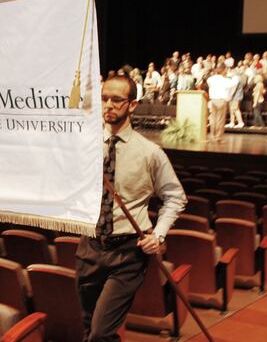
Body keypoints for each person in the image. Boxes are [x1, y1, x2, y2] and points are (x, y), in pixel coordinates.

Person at [77, 75, 186, 342]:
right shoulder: (85, 146)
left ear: (133, 104)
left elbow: (175, 197)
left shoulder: (150, 153)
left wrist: (158, 234)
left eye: (116, 100)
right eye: (104, 99)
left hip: (127, 253)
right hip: (89, 246)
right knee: (89, 328)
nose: (108, 105)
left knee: (100, 333)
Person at [206, 66, 237, 142]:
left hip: (213, 99)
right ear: (223, 71)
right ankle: (218, 137)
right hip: (221, 100)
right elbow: (235, 82)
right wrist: (232, 75)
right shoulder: (225, 80)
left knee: (213, 119)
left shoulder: (210, 79)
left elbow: (208, 82)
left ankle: (212, 136)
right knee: (220, 119)